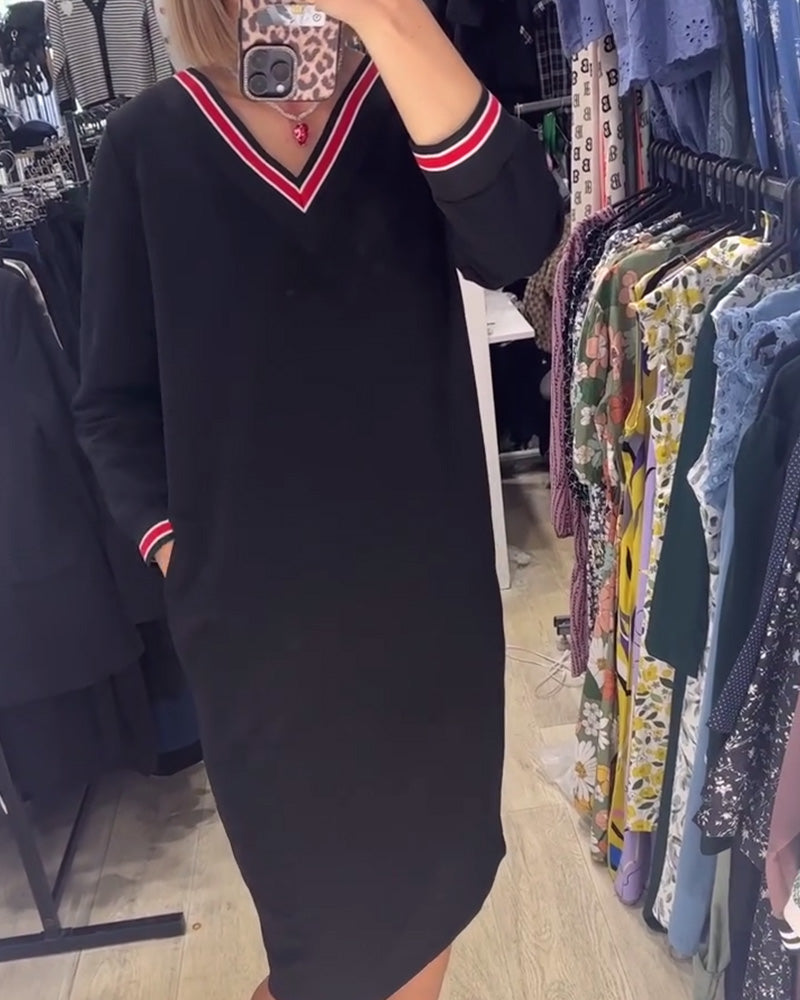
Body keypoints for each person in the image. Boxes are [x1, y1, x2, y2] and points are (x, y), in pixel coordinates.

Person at [73, 1, 563, 999]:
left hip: (428, 614)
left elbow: (517, 239)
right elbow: (112, 404)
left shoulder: (409, 104)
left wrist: (392, 20)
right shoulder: (147, 145)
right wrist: (182, 550)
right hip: (263, 642)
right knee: (325, 939)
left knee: (434, 892)